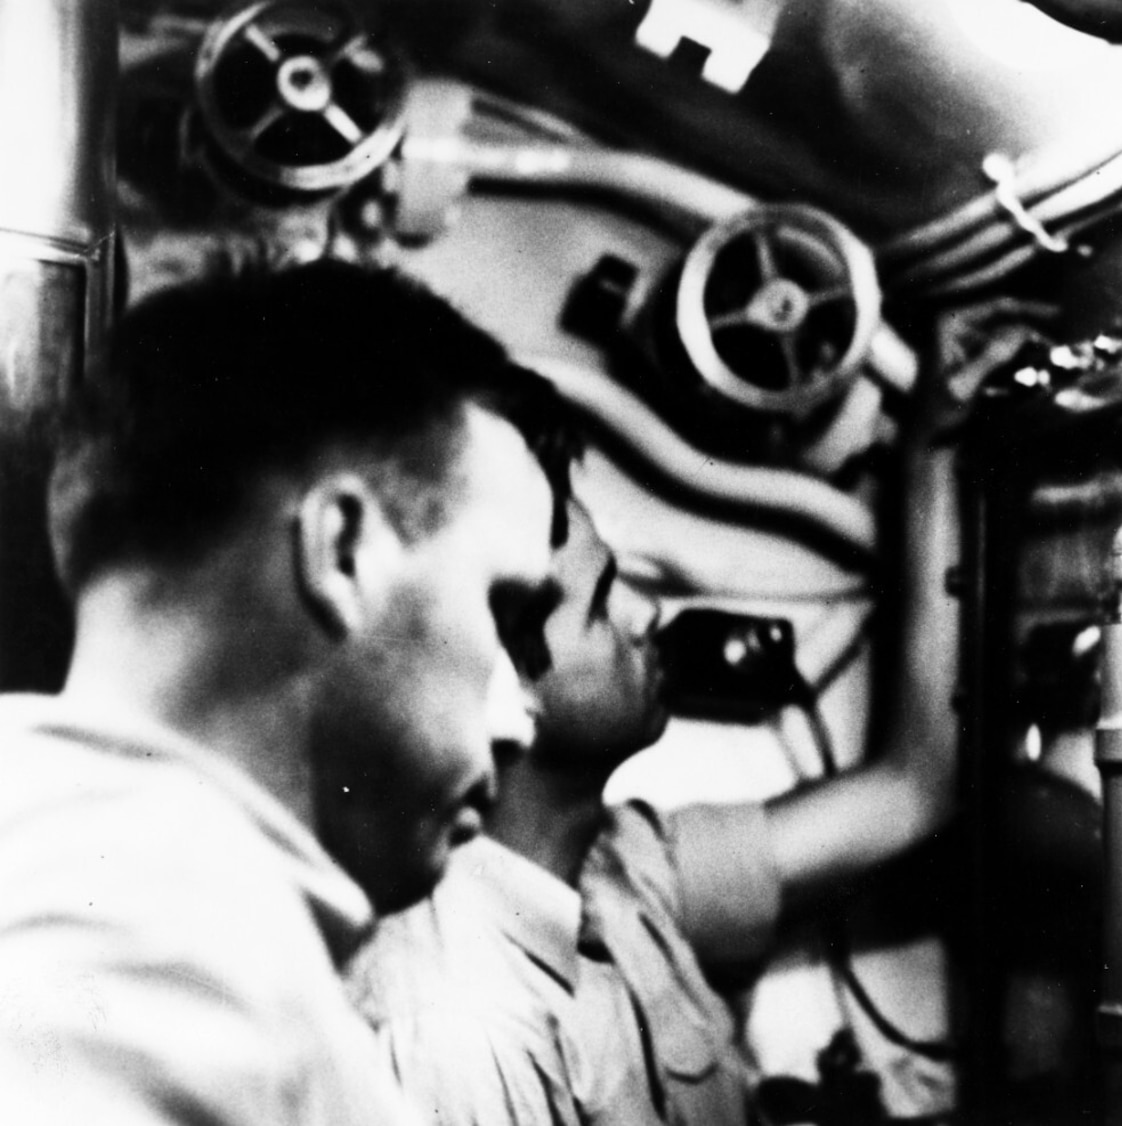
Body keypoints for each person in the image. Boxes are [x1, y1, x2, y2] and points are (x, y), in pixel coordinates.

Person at [0, 260, 573, 1124]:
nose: (519, 719)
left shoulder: (84, 856)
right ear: (344, 552)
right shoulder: (165, 937)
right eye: (504, 610)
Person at [347, 331, 970, 1126]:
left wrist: (937, 454)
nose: (647, 616)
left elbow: (913, 790)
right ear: (506, 686)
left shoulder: (624, 867)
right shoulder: (459, 1033)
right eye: (604, 601)